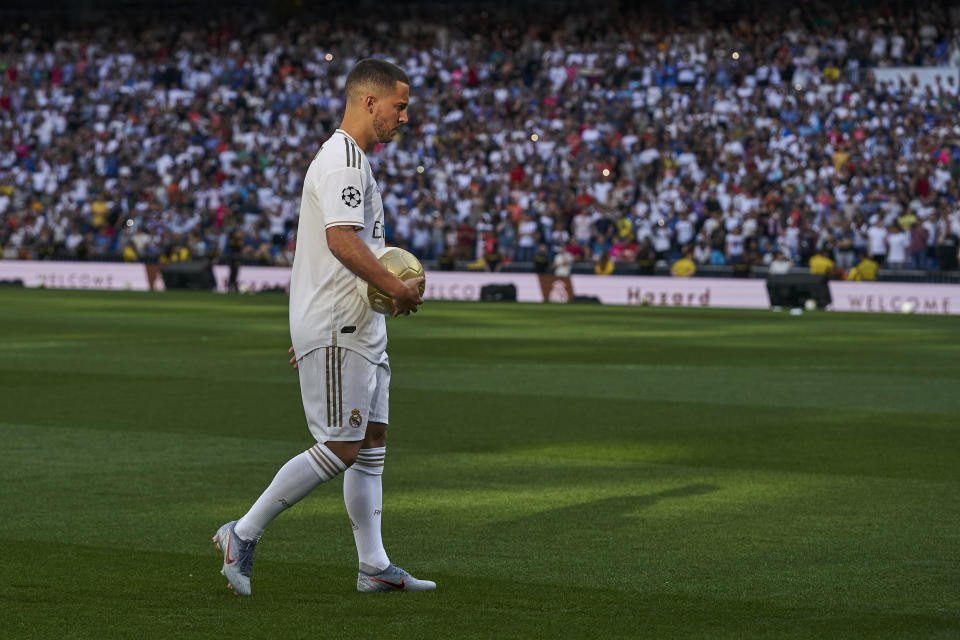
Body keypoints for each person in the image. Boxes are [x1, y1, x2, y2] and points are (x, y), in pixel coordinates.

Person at [213, 59, 434, 596]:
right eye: (399, 106)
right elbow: (340, 240)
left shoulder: (353, 160)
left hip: (356, 325)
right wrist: (396, 286)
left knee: (371, 440)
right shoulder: (342, 162)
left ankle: (373, 565)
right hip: (341, 324)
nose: (404, 117)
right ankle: (241, 534)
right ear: (369, 102)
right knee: (341, 444)